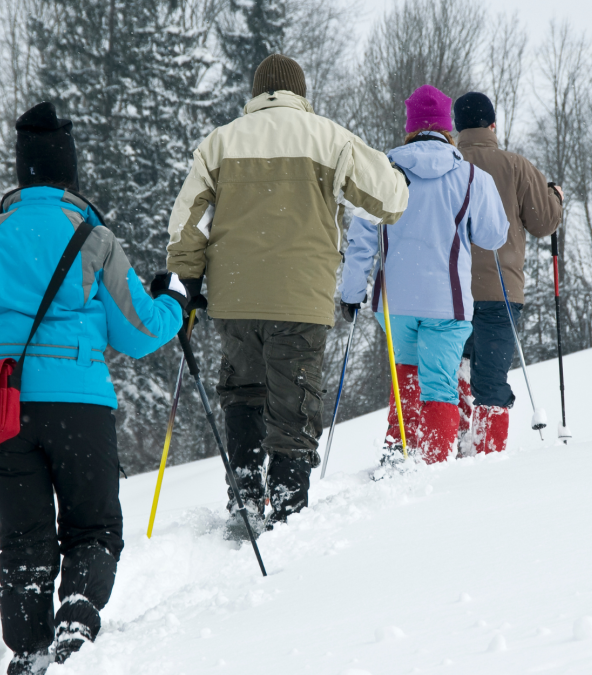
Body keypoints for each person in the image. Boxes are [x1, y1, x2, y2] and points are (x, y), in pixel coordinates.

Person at [0, 102, 186, 675]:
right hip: (81, 407)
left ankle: (29, 651)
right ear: (70, 172)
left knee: (24, 535)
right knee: (92, 525)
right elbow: (140, 334)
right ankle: (78, 615)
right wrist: (175, 301)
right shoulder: (94, 239)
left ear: (22, 172)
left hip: (5, 411)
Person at [166, 54, 408, 534]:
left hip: (234, 299)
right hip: (301, 300)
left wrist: (186, 283)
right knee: (294, 403)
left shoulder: (219, 143)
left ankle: (247, 498)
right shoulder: (330, 138)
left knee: (244, 394)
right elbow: (391, 201)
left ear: (256, 95)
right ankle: (288, 506)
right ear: (300, 93)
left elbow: (186, 225)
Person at [339, 85, 510, 463]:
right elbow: (494, 235)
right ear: (447, 128)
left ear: (410, 126)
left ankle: (401, 455)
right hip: (447, 304)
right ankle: (432, 465)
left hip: (396, 304)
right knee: (440, 387)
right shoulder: (471, 177)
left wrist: (351, 294)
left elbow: (361, 241)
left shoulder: (383, 173)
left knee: (407, 379)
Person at [453, 92, 564, 454]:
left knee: (454, 369)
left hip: (451, 293)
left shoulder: (448, 163)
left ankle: (454, 442)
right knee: (493, 380)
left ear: (456, 127)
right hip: (501, 293)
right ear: (492, 125)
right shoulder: (515, 166)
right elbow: (544, 222)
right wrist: (556, 197)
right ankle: (486, 455)